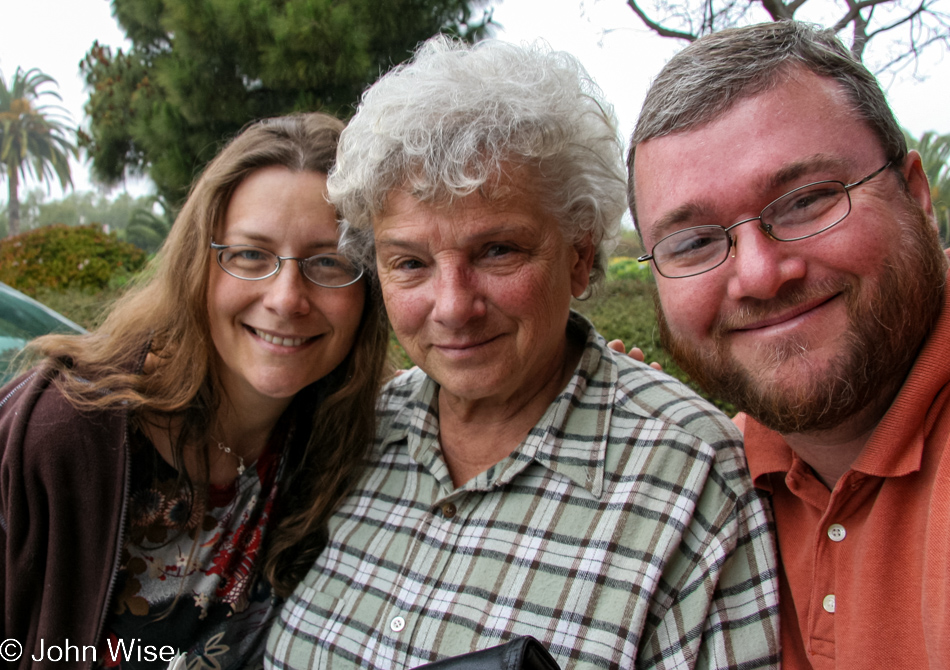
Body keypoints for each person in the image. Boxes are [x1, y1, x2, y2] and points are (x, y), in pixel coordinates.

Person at [266, 37, 779, 670]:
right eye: (410, 263)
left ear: (581, 254)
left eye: (498, 251)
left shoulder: (691, 480)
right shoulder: (349, 432)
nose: (453, 306)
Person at [0, 112, 389, 669]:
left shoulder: (336, 443)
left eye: (328, 262)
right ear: (196, 266)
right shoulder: (64, 433)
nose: (286, 298)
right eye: (250, 255)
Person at [627, 21, 950, 669]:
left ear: (917, 197)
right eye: (692, 242)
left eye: (806, 200)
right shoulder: (715, 475)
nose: (760, 275)